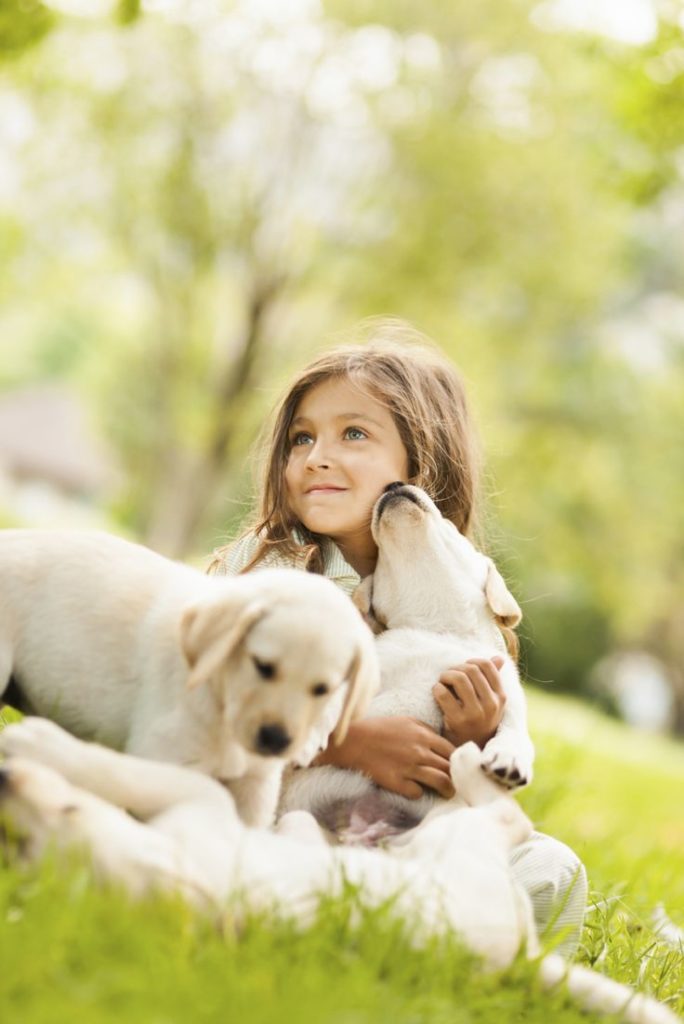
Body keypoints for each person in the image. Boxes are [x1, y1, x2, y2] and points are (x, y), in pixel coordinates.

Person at [209, 317, 587, 957]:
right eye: (302, 438)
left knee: (550, 867)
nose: (316, 456)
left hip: (401, 840)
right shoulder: (268, 572)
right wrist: (349, 743)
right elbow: (206, 703)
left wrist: (470, 739)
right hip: (276, 820)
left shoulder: (456, 591)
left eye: (353, 434)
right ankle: (323, 922)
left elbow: (463, 782)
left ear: (420, 460)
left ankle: (466, 951)